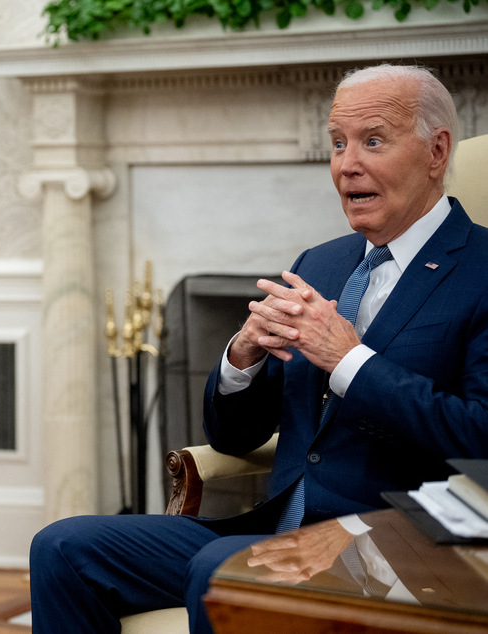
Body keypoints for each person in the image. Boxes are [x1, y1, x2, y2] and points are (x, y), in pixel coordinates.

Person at [29, 63, 488, 633]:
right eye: (338, 143)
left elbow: (479, 441)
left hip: (398, 547)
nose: (347, 164)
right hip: (279, 528)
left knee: (219, 568)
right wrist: (241, 360)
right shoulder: (319, 263)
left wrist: (348, 360)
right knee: (63, 547)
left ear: (437, 152)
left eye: (373, 141)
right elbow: (234, 438)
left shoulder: (482, 270)